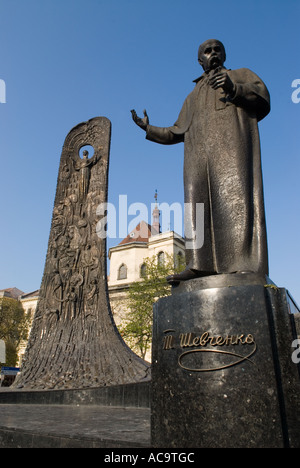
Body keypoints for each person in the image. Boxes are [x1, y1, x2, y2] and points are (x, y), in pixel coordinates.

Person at [131, 39, 270, 284]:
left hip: (231, 154)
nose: (213, 54)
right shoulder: (192, 96)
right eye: (207, 51)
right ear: (200, 60)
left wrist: (233, 88)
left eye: (217, 49)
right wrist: (148, 128)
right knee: (197, 208)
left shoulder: (240, 74)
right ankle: (199, 265)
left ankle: (243, 264)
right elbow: (176, 131)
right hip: (197, 160)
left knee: (235, 204)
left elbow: (263, 98)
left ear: (224, 54)